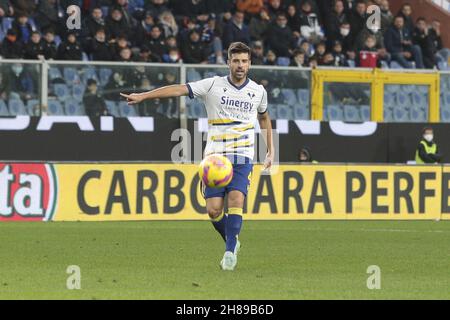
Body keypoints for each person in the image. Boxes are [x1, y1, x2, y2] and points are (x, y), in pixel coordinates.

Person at [121, 42, 274, 271]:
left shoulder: (258, 91)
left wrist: (271, 149)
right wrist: (144, 96)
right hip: (215, 158)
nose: (240, 65)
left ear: (250, 63)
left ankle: (230, 252)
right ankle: (233, 240)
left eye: (244, 61)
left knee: (236, 200)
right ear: (228, 63)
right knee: (213, 210)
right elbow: (178, 89)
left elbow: (263, 118)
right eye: (236, 61)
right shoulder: (212, 85)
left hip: (243, 156)